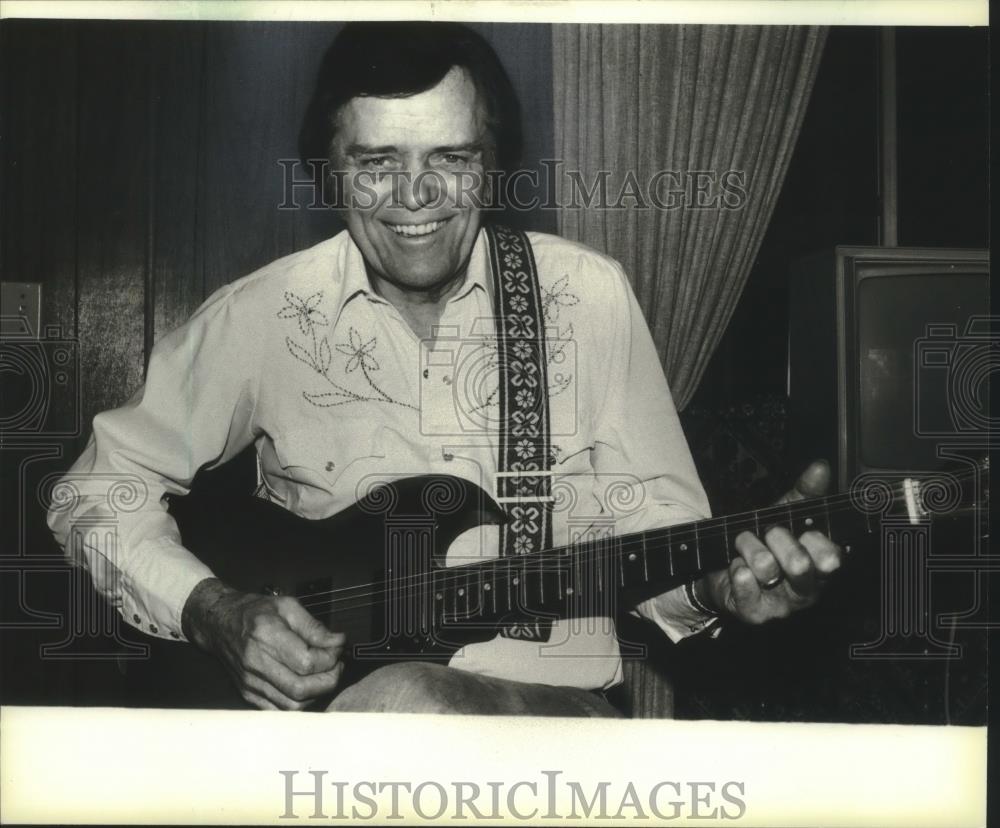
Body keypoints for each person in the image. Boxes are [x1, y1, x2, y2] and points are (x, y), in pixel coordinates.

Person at [47, 22, 842, 716]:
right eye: (376, 161)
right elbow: (91, 491)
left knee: (408, 700)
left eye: (450, 157)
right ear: (329, 172)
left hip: (555, 716)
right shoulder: (263, 314)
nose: (415, 195)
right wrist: (211, 610)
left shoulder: (586, 298)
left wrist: (713, 587)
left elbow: (655, 538)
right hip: (314, 733)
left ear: (491, 166)